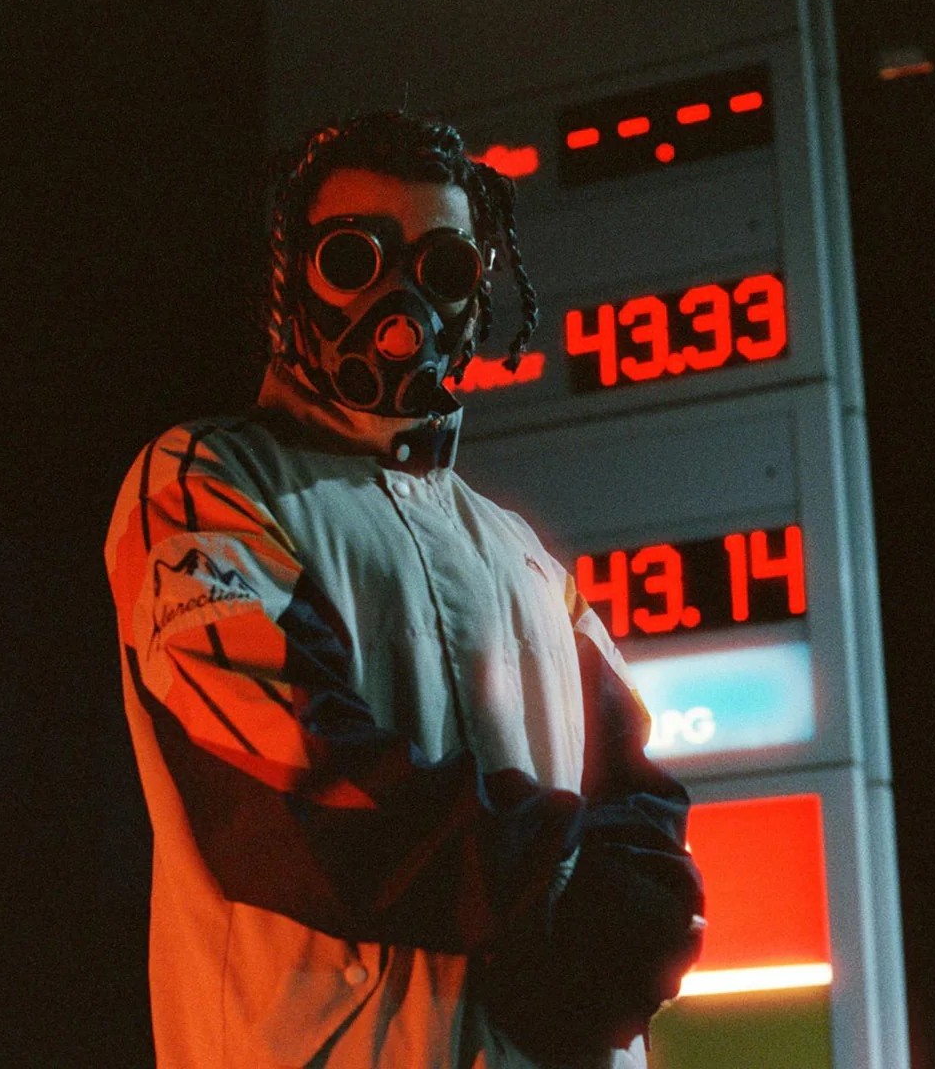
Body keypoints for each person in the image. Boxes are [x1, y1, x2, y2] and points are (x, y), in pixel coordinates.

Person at [104, 111, 704, 1069]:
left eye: (443, 267)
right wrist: (558, 895)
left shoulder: (525, 557)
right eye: (356, 259)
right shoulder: (204, 482)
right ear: (292, 275)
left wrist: (627, 939)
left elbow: (642, 809)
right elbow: (294, 784)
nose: (402, 302)